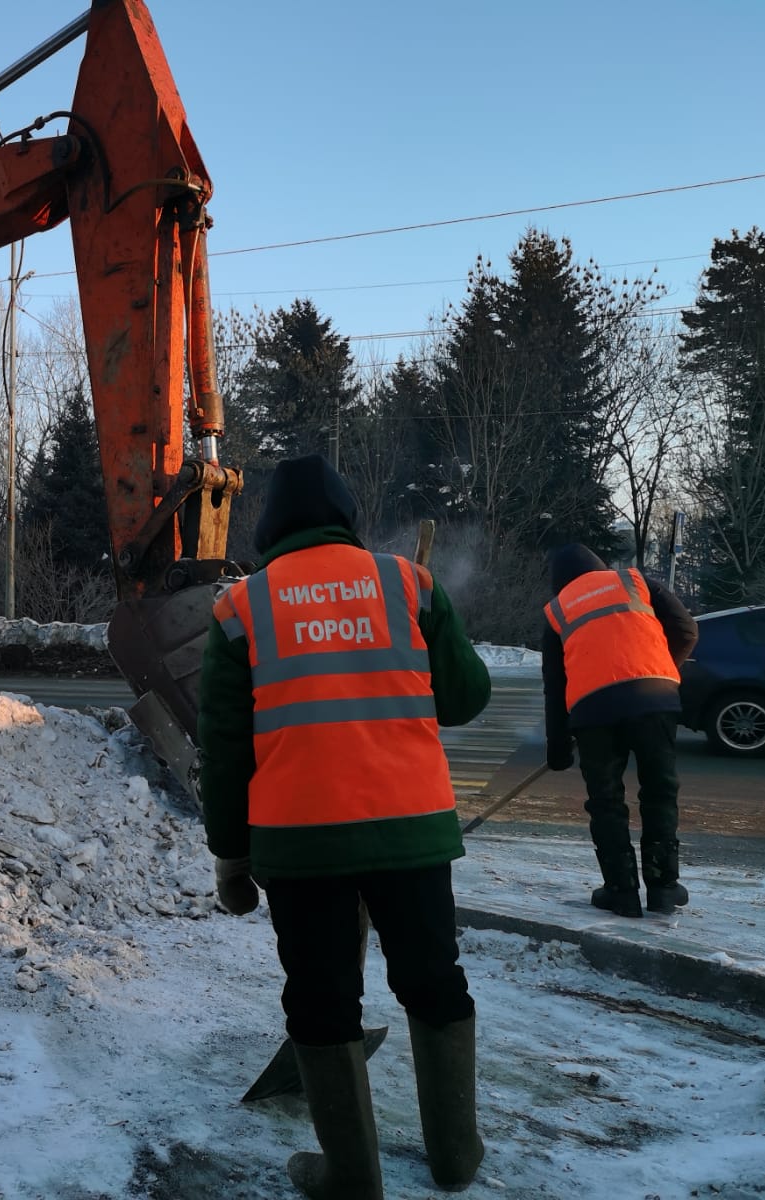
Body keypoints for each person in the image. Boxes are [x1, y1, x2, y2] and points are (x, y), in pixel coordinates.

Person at [199, 453, 492, 1198]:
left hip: (303, 844)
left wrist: (232, 861)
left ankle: (350, 1178)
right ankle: (457, 1154)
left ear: (267, 529)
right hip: (412, 830)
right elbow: (463, 699)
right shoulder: (410, 585)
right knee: (434, 981)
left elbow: (226, 754)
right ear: (349, 519)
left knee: (322, 999)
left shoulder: (242, 610)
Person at [542, 544, 698, 918]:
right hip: (653, 700)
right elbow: (686, 630)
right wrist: (656, 669)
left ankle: (620, 891)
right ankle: (663, 888)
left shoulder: (557, 609)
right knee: (660, 790)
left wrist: (558, 744)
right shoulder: (635, 581)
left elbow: (554, 682)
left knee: (606, 801)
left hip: (593, 711)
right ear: (599, 566)